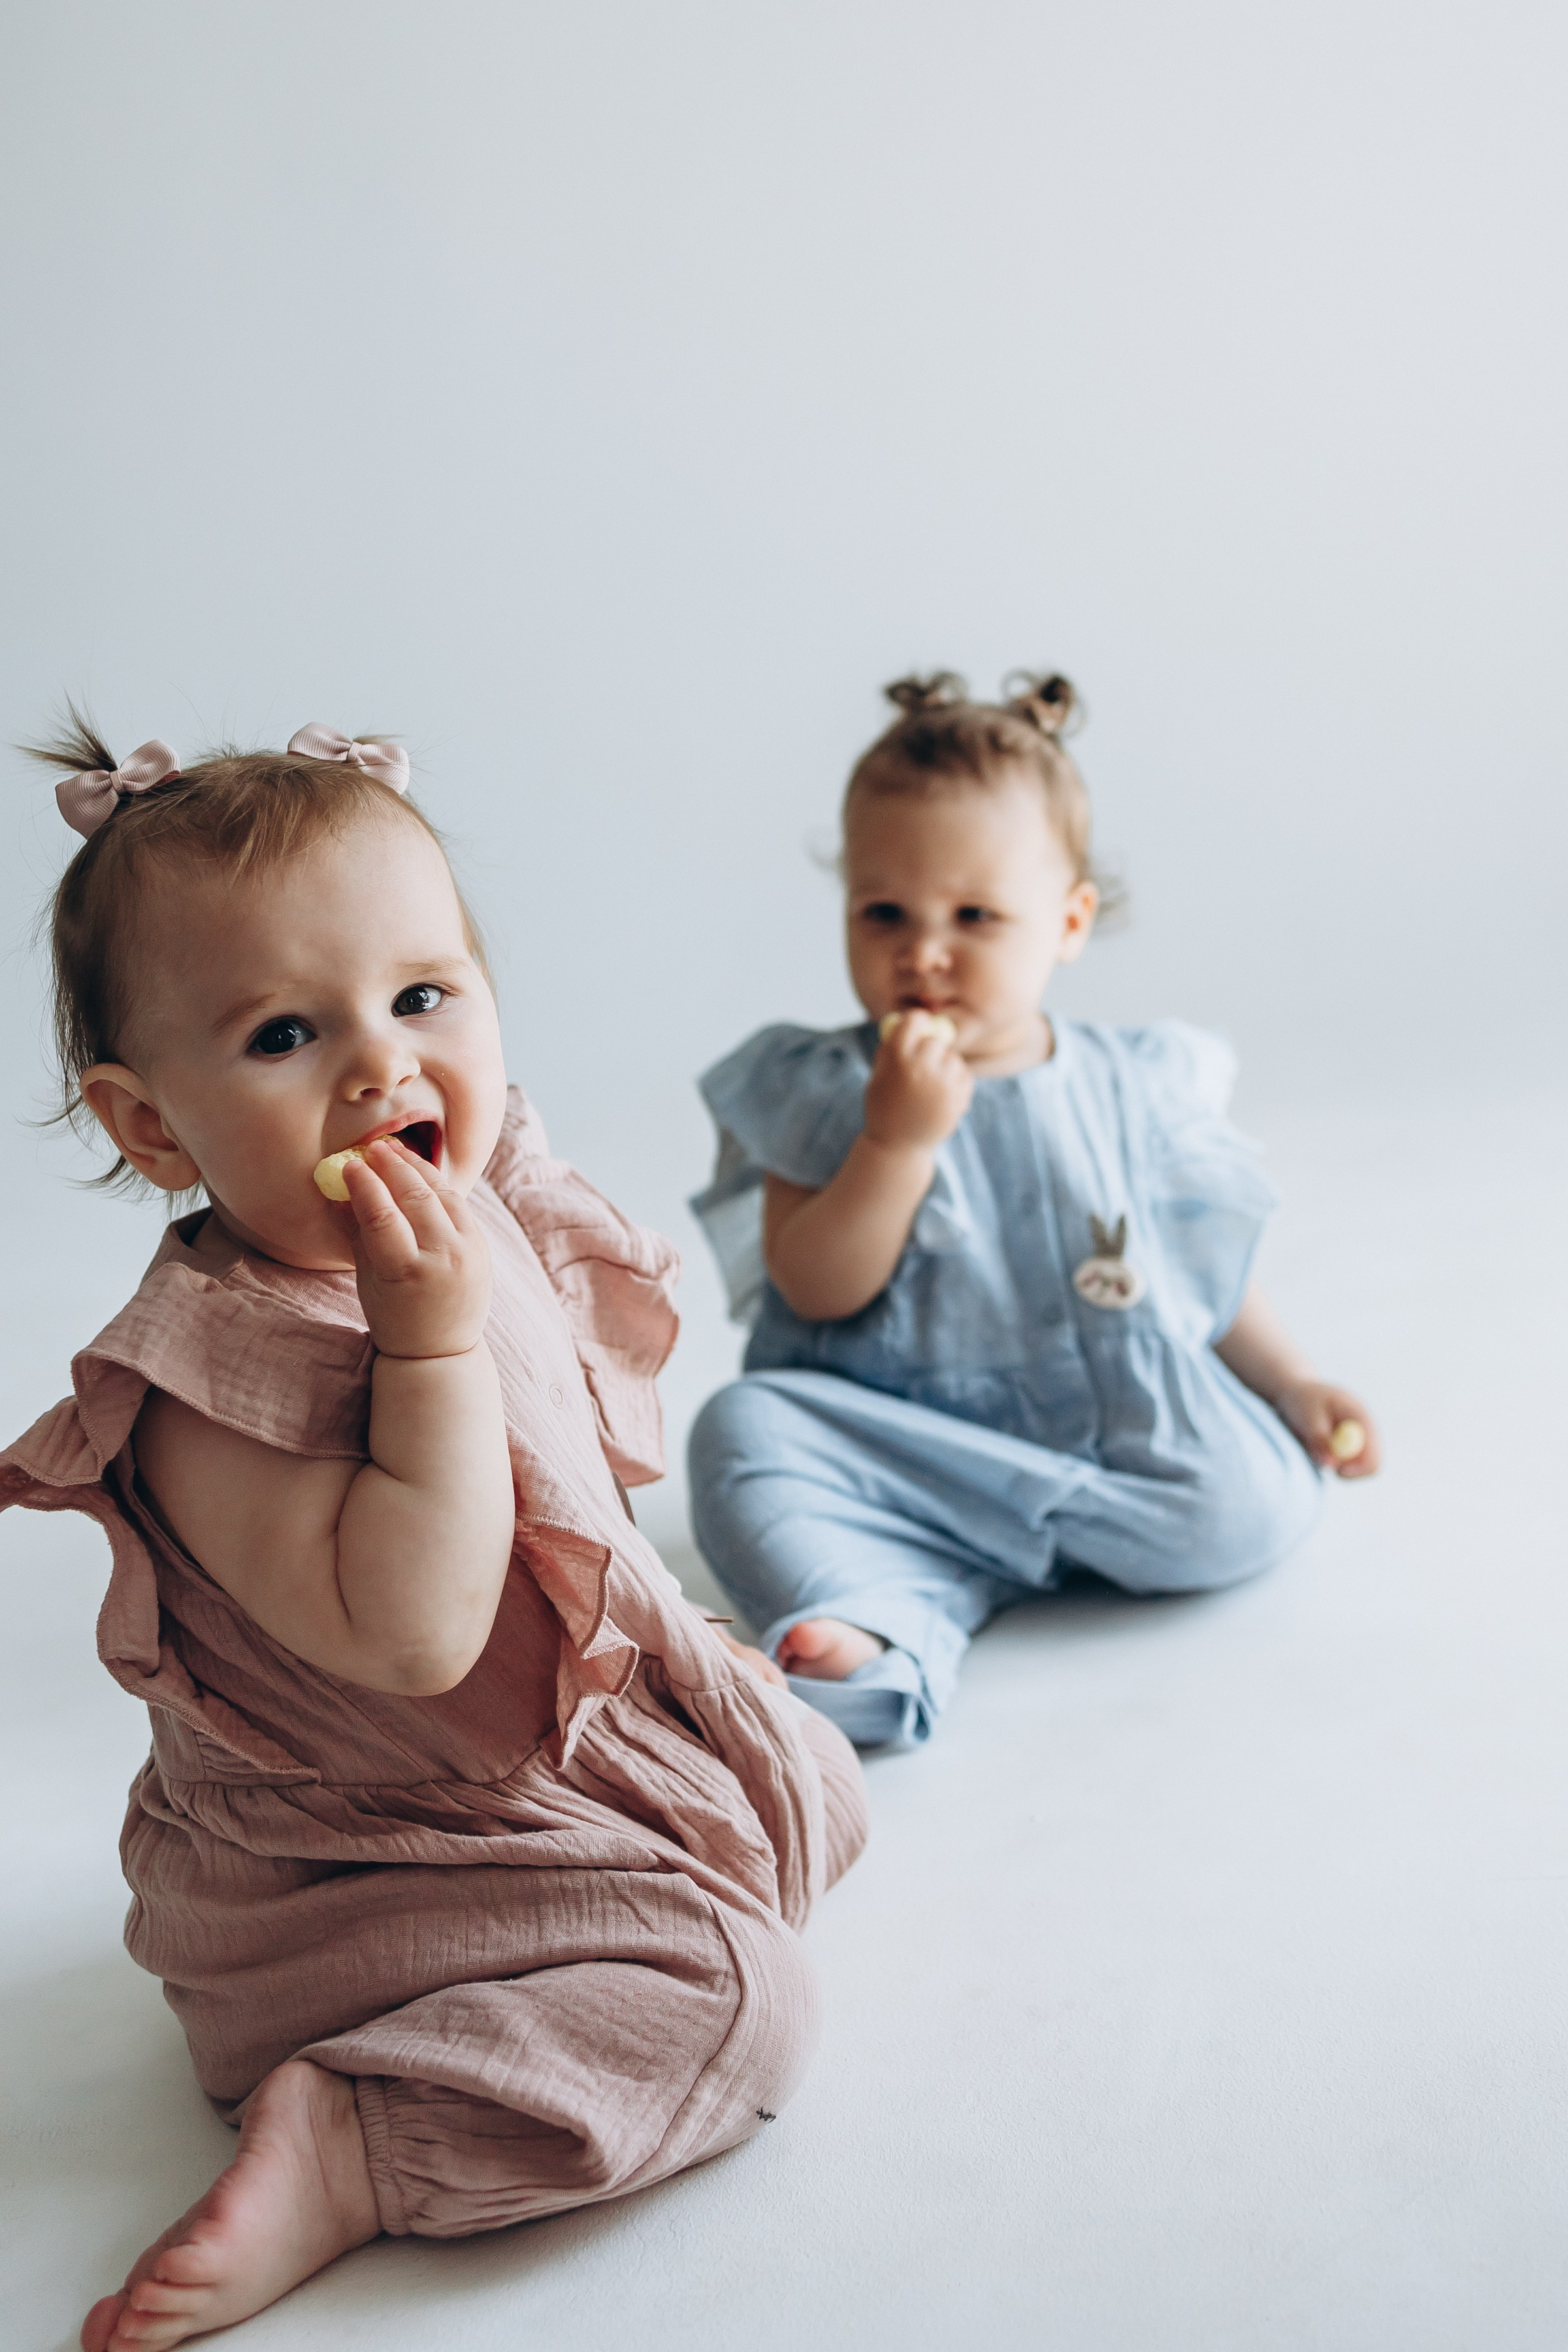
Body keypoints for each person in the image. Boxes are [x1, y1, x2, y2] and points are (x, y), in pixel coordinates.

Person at [1, 716, 866, 2352]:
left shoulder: (469, 1198)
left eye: (422, 997)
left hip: (554, 1759)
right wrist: (430, 1351)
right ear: (154, 1126)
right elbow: (415, 1633)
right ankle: (360, 2140)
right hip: (363, 1874)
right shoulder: (210, 1371)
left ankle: (638, 1867)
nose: (384, 1070)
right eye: (282, 1033)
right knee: (749, 2007)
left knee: (814, 1788)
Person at [688, 671, 1380, 1749]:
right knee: (740, 1433)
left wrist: (1289, 1384)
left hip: (1107, 1438)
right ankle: (886, 1620)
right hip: (901, 1448)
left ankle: (961, 1567)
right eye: (885, 912)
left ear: (1068, 922)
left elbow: (1203, 1277)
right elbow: (819, 1284)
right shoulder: (823, 1090)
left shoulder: (1138, 1083)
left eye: (973, 916)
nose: (923, 951)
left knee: (1248, 1503)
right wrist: (896, 1140)